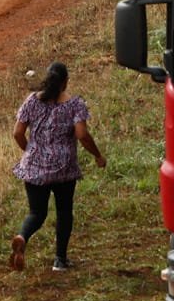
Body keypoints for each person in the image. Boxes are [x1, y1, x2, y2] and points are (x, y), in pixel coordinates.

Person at [8, 62, 106, 272]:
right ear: (65, 82)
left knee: (36, 213)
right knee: (64, 211)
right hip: (64, 168)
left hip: (34, 167)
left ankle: (22, 236)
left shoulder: (32, 101)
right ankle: (60, 260)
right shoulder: (74, 104)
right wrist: (97, 155)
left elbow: (17, 133)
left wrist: (30, 152)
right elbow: (82, 135)